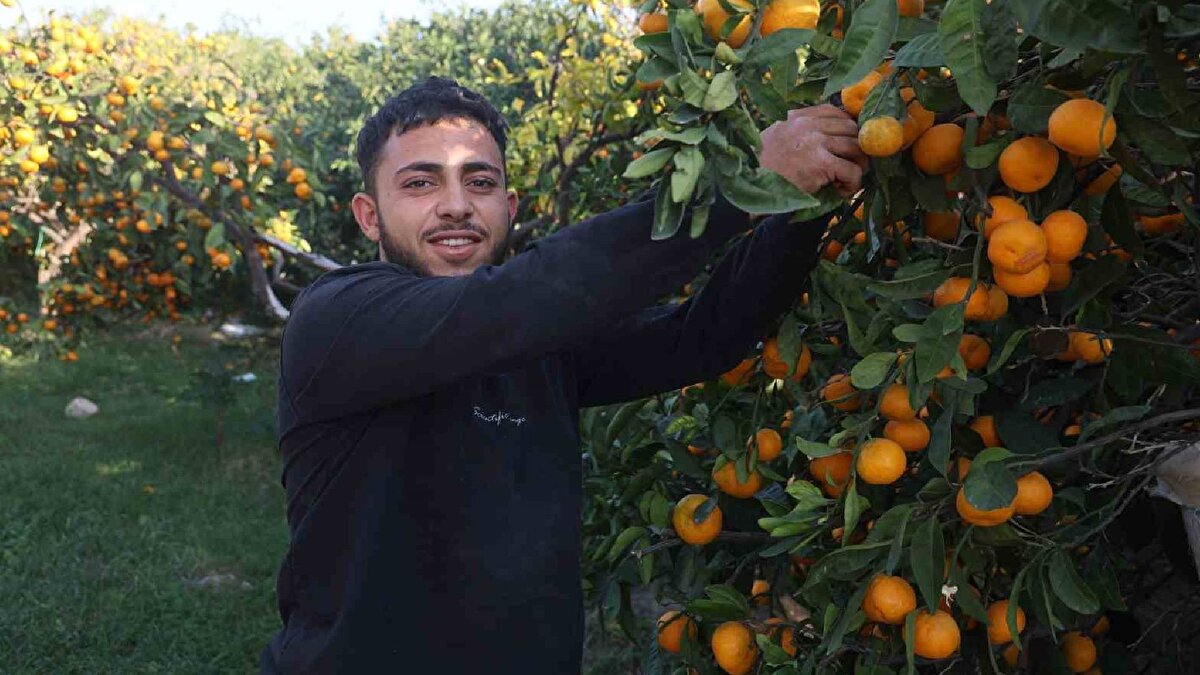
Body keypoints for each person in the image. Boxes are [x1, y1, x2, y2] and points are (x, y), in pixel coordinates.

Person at [260, 76, 868, 674]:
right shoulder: (338, 320)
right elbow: (524, 299)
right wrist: (741, 183)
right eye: (420, 183)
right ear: (369, 216)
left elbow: (702, 337)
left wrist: (803, 200)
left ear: (509, 206)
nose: (456, 204)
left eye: (481, 182)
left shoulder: (541, 342)